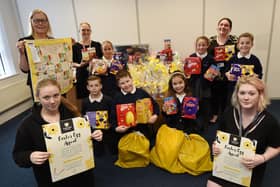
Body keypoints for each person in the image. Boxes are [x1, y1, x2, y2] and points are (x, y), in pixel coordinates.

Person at [13, 79, 103, 187]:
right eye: (46, 97)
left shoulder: (72, 113)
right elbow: (18, 155)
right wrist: (30, 156)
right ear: (38, 98)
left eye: (56, 95)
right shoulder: (28, 125)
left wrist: (96, 134)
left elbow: (87, 136)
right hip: (51, 179)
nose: (52, 101)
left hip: (81, 175)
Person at [207, 76, 280, 187]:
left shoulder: (269, 121)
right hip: (227, 164)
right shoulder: (228, 113)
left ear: (260, 95)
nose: (246, 98)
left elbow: (276, 147)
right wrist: (215, 147)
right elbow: (219, 138)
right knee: (211, 185)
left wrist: (262, 158)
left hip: (250, 167)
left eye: (251, 94)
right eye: (242, 93)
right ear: (237, 94)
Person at [111, 69, 160, 141]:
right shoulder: (117, 98)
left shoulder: (141, 93)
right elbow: (112, 116)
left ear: (131, 79)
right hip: (125, 134)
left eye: (128, 81)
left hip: (144, 131)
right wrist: (116, 128)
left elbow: (155, 105)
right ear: (118, 85)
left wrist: (155, 116)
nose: (126, 85)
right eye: (122, 83)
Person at [16, 9, 53, 100]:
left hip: (54, 82)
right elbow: (25, 69)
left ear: (47, 23)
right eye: (36, 20)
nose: (40, 23)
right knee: (42, 110)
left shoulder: (53, 41)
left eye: (43, 20)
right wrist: (21, 53)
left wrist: (69, 46)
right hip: (38, 85)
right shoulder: (25, 42)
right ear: (31, 22)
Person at [208, 17, 238, 123]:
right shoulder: (211, 40)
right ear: (217, 26)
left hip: (229, 73)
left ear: (230, 28)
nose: (223, 27)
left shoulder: (234, 41)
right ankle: (215, 114)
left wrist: (232, 72)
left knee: (227, 96)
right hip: (214, 72)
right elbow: (207, 56)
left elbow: (238, 57)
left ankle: (226, 115)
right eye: (221, 24)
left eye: (226, 25)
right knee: (214, 95)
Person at [81, 75, 117, 155]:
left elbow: (112, 118)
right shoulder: (85, 102)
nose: (94, 88)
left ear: (101, 86)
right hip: (93, 136)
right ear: (87, 87)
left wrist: (108, 128)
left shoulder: (108, 100)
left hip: (108, 136)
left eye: (96, 85)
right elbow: (84, 118)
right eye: (91, 86)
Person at [225, 32, 263, 102]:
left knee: (245, 106)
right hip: (233, 89)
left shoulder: (255, 60)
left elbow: (260, 74)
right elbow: (226, 71)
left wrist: (256, 76)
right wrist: (227, 74)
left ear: (252, 45)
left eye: (247, 43)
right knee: (231, 106)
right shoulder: (232, 59)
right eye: (242, 43)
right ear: (238, 45)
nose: (244, 45)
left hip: (248, 91)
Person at [72, 22, 103, 105]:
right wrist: (79, 65)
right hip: (82, 76)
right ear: (79, 31)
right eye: (83, 30)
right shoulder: (75, 47)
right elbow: (71, 63)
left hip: (96, 75)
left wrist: (97, 62)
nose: (86, 32)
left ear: (90, 31)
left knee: (99, 99)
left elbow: (102, 60)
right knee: (85, 101)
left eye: (88, 30)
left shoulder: (97, 45)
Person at [189, 36, 215, 126]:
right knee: (194, 104)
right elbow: (188, 73)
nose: (201, 47)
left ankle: (205, 124)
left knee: (205, 105)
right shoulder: (191, 57)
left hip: (206, 86)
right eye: (199, 45)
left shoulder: (211, 59)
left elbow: (213, 74)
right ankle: (193, 124)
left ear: (207, 45)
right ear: (196, 46)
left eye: (203, 45)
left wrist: (212, 74)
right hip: (194, 85)